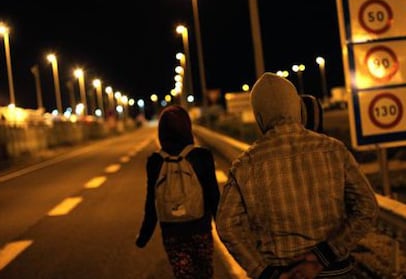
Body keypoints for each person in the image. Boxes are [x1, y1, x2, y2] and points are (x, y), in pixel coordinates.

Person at [215, 73, 378, 279]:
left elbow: (226, 225)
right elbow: (367, 206)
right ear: (297, 108)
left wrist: (264, 272)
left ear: (259, 117)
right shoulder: (333, 149)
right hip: (335, 271)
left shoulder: (245, 165)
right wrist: (323, 256)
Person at [135, 105, 220, 279]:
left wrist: (144, 235)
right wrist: (226, 229)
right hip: (201, 228)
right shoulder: (202, 156)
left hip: (172, 232)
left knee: (183, 274)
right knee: (205, 272)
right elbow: (214, 196)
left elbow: (151, 201)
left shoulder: (155, 161)